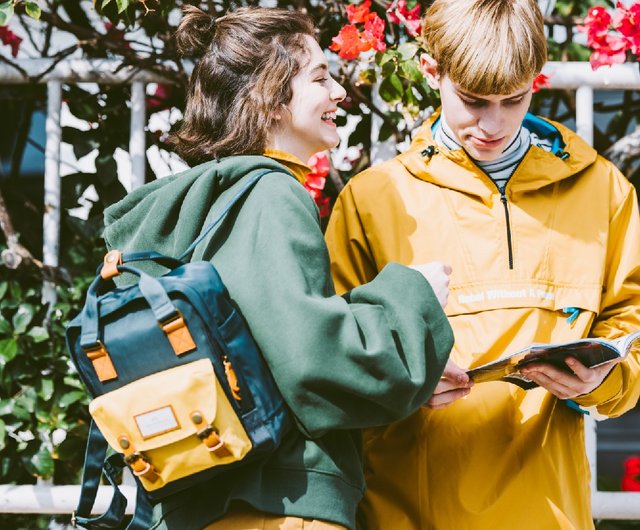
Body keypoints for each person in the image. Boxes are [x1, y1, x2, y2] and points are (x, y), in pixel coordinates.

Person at [101, 6, 454, 530]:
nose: (340, 94)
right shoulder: (272, 193)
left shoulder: (197, 207)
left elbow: (264, 345)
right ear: (270, 100)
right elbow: (317, 364)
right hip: (283, 506)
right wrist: (414, 295)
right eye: (319, 78)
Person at [325, 0, 640, 528]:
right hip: (403, 512)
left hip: (550, 512)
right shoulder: (373, 199)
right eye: (472, 101)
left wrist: (602, 380)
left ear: (536, 81)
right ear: (433, 72)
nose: (492, 124)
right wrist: (401, 381)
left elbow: (633, 329)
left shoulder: (603, 192)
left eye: (513, 100)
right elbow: (328, 358)